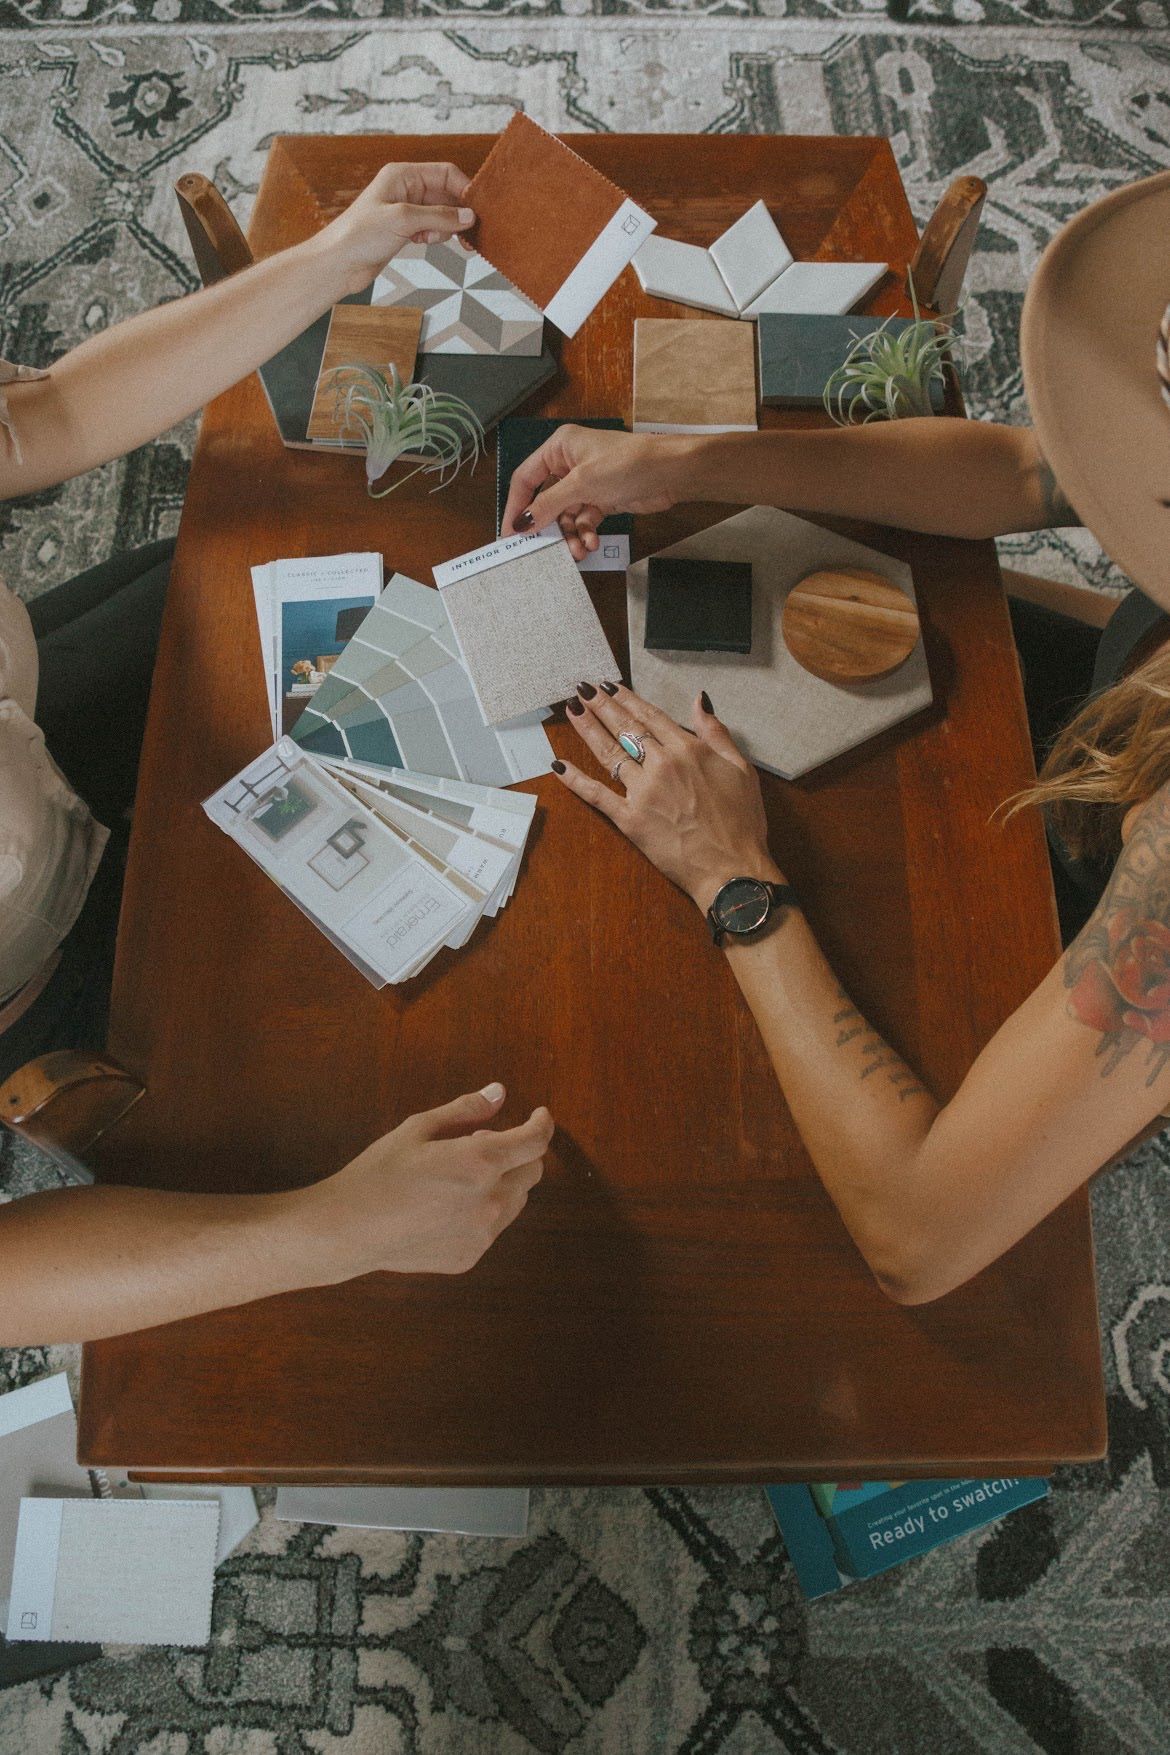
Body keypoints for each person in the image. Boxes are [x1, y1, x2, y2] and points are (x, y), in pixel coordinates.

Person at [500, 170, 1170, 1306]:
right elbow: (1020, 473)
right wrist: (692, 461)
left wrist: (731, 876)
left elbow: (919, 1238)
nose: (1137, 427)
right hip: (1093, 761)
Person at [0, 161, 553, 1347]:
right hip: (45, 971)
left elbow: (38, 415)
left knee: (341, 574)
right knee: (452, 1019)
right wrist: (334, 1231)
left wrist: (332, 259)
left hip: (33, 729)